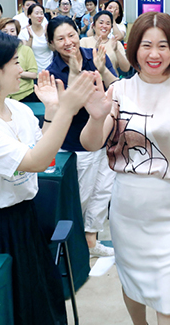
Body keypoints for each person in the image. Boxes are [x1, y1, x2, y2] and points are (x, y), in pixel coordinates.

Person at [0, 28, 98, 325]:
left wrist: (52, 110)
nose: (22, 70)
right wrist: (67, 110)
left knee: (36, 303)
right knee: (0, 307)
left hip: (24, 218)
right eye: (15, 62)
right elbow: (35, 161)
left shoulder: (18, 109)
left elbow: (41, 147)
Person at [79, 11, 170, 323]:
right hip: (127, 208)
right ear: (134, 49)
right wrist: (96, 117)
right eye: (146, 45)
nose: (154, 54)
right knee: (133, 282)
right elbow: (92, 142)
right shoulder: (120, 90)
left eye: (163, 46)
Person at [46, 16, 119, 258]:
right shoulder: (53, 73)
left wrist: (102, 69)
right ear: (51, 43)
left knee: (103, 192)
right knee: (82, 197)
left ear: (79, 33)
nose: (68, 42)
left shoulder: (94, 56)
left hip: (105, 138)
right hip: (76, 144)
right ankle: (73, 247)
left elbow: (116, 87)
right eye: (60, 39)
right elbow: (68, 110)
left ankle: (91, 242)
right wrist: (75, 76)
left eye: (71, 35)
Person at [0, 17, 39, 102]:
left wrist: (15, 72)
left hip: (25, 95)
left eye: (12, 31)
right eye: (5, 31)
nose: (9, 34)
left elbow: (34, 74)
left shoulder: (26, 50)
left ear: (17, 32)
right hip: (3, 96)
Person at [19, 3, 53, 72]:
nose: (40, 16)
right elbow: (25, 52)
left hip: (49, 68)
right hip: (33, 70)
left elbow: (53, 49)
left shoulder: (48, 30)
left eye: (41, 13)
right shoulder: (24, 32)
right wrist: (30, 38)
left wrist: (47, 37)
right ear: (29, 16)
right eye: (37, 13)